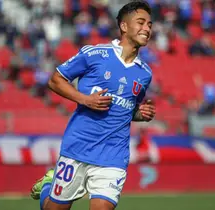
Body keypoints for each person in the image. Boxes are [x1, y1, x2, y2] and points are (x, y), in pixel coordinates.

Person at [30, 1, 156, 210]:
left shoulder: (145, 73)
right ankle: (47, 186)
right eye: (141, 22)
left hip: (113, 155)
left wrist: (139, 114)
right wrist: (85, 99)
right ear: (124, 26)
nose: (147, 28)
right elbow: (55, 80)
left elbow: (125, 107)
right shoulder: (95, 54)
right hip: (78, 147)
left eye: (150, 24)